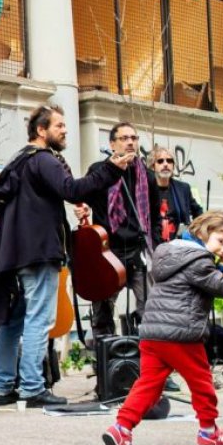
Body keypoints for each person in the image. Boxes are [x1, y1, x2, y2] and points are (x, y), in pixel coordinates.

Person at [0, 105, 128, 407]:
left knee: (15, 318)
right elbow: (72, 190)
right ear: (41, 131)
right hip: (38, 252)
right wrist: (111, 168)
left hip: (18, 253)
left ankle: (2, 385)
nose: (64, 130)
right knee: (39, 318)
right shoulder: (43, 160)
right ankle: (33, 387)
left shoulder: (20, 161)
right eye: (59, 125)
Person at [102, 212, 223, 445]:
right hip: (180, 334)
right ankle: (209, 433)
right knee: (202, 383)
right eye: (221, 241)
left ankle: (121, 428)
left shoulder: (173, 253)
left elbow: (206, 276)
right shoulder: (199, 260)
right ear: (203, 231)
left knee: (149, 385)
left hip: (153, 333)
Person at [80, 122, 159, 340]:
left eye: (134, 138)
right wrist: (83, 209)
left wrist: (156, 247)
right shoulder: (99, 171)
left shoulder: (147, 176)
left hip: (137, 252)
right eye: (124, 138)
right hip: (107, 252)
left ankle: (150, 363)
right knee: (102, 311)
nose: (130, 142)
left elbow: (154, 217)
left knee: (150, 310)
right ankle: (105, 363)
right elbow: (81, 198)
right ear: (112, 144)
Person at [149, 145, 203, 245]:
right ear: (153, 166)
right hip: (152, 246)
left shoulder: (183, 188)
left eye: (169, 161)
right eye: (160, 161)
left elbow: (198, 211)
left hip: (177, 247)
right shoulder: (145, 189)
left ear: (173, 166)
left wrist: (196, 231)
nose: (165, 164)